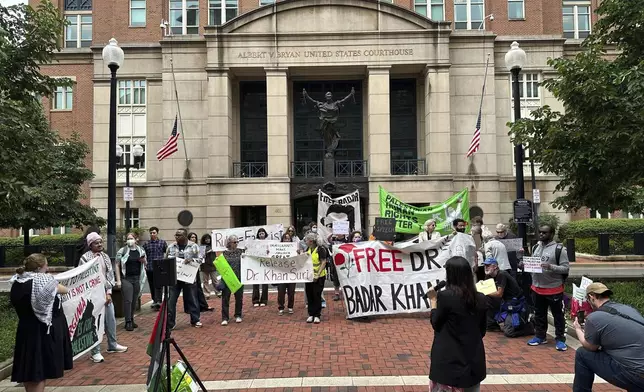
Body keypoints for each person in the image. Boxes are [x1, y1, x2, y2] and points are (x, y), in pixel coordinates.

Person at [10, 254, 73, 392]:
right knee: (38, 371)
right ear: (40, 267)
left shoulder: (17, 281)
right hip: (41, 332)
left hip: (25, 331)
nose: (48, 267)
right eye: (46, 264)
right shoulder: (44, 281)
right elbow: (64, 290)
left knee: (28, 371)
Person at [427, 256, 487, 392]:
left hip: (449, 362)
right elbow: (482, 331)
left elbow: (436, 323)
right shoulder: (481, 298)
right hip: (473, 361)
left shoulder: (445, 297)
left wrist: (433, 302)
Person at [572, 282, 644, 392]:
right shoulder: (629, 309)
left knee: (582, 354)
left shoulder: (594, 317)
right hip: (639, 369)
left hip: (636, 376)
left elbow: (591, 347)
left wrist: (577, 329)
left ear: (591, 297)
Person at [79, 232, 128, 362]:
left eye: (101, 242)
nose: (100, 244)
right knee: (95, 322)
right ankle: (95, 351)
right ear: (90, 245)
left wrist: (108, 293)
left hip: (105, 293)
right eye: (96, 243)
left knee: (110, 320)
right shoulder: (85, 258)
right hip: (92, 295)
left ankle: (112, 344)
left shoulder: (105, 257)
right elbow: (82, 277)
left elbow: (109, 275)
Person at [524, 224, 569, 351]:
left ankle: (560, 339)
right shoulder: (536, 247)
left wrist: (551, 267)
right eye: (540, 232)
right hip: (537, 288)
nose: (541, 234)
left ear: (552, 234)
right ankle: (540, 336)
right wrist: (525, 264)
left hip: (554, 288)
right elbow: (533, 264)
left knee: (557, 315)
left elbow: (566, 268)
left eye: (545, 232)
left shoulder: (560, 249)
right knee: (539, 314)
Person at [483, 258, 533, 337]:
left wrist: (484, 291)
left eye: (488, 266)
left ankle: (529, 327)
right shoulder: (489, 275)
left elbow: (499, 294)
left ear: (495, 266)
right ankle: (492, 324)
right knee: (485, 300)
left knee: (509, 332)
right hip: (505, 303)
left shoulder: (502, 274)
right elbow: (486, 289)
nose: (486, 267)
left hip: (515, 306)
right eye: (485, 265)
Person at [166, 228, 202, 329]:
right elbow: (166, 259)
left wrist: (192, 260)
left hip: (189, 278)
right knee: (171, 301)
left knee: (192, 299)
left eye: (179, 235)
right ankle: (170, 323)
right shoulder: (171, 247)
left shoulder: (194, 246)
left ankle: (195, 320)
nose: (176, 237)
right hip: (175, 278)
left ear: (185, 236)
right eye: (176, 235)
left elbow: (201, 259)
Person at [116, 232, 147, 331]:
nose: (129, 240)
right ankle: (127, 321)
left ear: (136, 239)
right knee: (128, 300)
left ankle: (132, 319)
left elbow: (145, 263)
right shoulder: (123, 250)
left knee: (134, 301)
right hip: (127, 278)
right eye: (128, 238)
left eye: (131, 238)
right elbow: (117, 265)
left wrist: (144, 261)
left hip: (137, 278)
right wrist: (118, 280)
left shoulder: (140, 250)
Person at [187, 232, 214, 313]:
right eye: (192, 237)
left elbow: (201, 258)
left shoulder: (198, 247)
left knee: (198, 288)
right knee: (189, 289)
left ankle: (203, 305)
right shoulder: (187, 247)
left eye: (195, 237)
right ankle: (189, 307)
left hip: (196, 269)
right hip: (188, 270)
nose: (193, 239)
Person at [220, 235, 244, 325]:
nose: (236, 244)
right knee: (225, 298)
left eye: (237, 242)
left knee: (239, 298)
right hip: (227, 279)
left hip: (239, 278)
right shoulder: (224, 253)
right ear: (229, 243)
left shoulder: (241, 252)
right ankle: (225, 317)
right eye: (234, 242)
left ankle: (238, 315)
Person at [304, 232, 327, 324]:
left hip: (319, 276)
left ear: (311, 241)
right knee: (309, 294)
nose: (305, 241)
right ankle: (311, 314)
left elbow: (323, 262)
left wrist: (318, 274)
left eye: (306, 240)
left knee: (317, 294)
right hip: (309, 276)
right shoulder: (308, 249)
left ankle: (317, 315)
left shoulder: (320, 249)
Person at [143, 226, 167, 311]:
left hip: (159, 267)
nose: (152, 234)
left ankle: (159, 301)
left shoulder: (162, 243)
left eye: (154, 232)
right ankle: (154, 300)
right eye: (151, 233)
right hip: (149, 267)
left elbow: (166, 252)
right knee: (152, 285)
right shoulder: (146, 244)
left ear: (157, 233)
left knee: (159, 285)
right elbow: (144, 255)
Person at [277, 232, 297, 315]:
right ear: (282, 240)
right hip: (281, 274)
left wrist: (299, 252)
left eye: (288, 239)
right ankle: (281, 307)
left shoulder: (294, 248)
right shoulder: (277, 249)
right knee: (281, 292)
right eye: (285, 238)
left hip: (292, 273)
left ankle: (290, 307)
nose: (287, 240)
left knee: (291, 292)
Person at [252, 228, 269, 307]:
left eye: (262, 233)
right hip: (256, 264)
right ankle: (255, 300)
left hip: (265, 264)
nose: (261, 235)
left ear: (265, 234)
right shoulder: (254, 243)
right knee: (255, 282)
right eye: (260, 234)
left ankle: (264, 300)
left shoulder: (269, 242)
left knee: (265, 283)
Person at [200, 233, 220, 298]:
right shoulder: (202, 247)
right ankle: (207, 293)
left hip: (212, 264)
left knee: (215, 280)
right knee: (205, 281)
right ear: (204, 240)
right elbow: (201, 256)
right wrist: (207, 252)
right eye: (206, 239)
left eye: (209, 239)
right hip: (204, 265)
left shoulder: (214, 246)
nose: (208, 240)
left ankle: (218, 292)